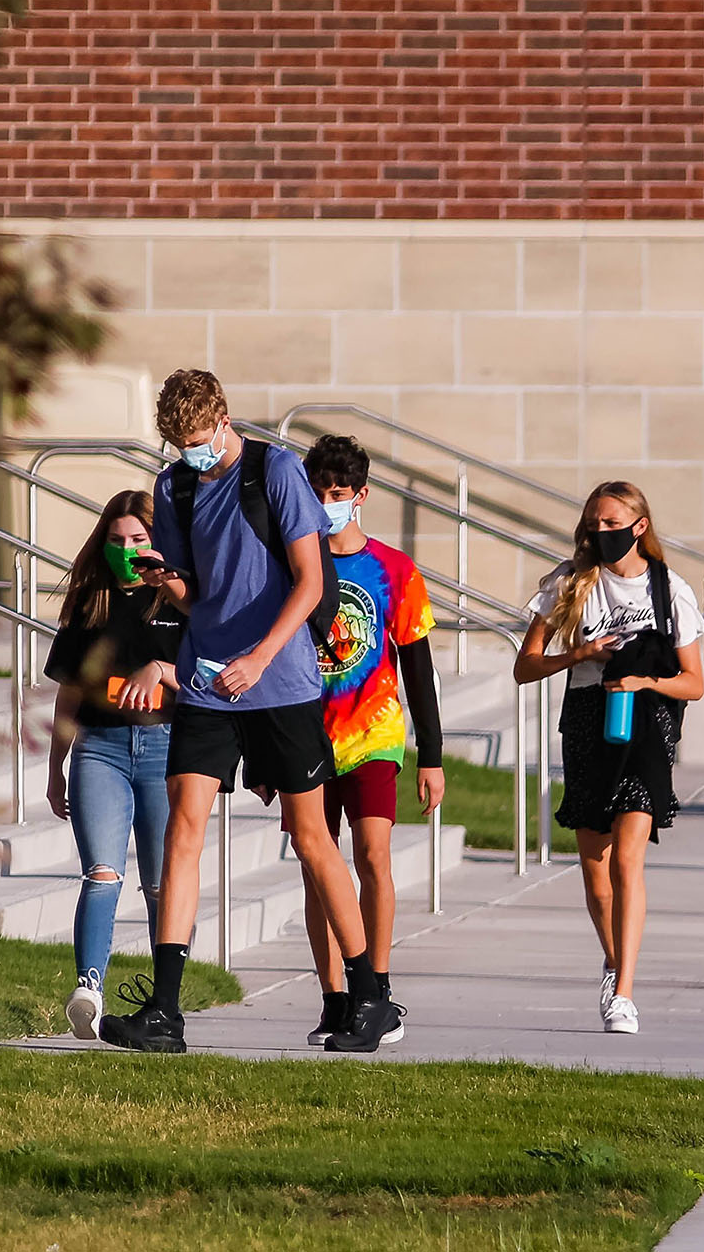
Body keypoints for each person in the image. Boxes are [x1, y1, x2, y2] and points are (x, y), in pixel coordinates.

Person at [99, 369, 390, 1055]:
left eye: (198, 440)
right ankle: (165, 1011)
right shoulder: (173, 487)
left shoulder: (277, 472)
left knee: (311, 835)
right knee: (183, 828)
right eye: (179, 443)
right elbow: (198, 592)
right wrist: (162, 581)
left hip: (281, 681)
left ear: (224, 419)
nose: (190, 453)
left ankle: (369, 995)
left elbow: (312, 579)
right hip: (207, 680)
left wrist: (259, 658)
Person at [519, 481, 704, 1035]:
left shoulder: (670, 589)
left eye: (612, 523)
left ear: (639, 525)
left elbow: (694, 683)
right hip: (585, 720)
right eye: (594, 524)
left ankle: (624, 992)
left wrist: (645, 680)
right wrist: (580, 653)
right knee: (595, 871)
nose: (602, 532)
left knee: (628, 860)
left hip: (647, 725)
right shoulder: (570, 583)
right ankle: (612, 959)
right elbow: (524, 666)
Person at [298, 436, 446, 1047]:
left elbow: (418, 668)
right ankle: (335, 996)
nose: (328, 504)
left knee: (372, 858)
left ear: (361, 496)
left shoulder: (395, 570)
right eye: (318, 493)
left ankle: (376, 989)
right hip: (305, 731)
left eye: (339, 494)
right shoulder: (294, 563)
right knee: (316, 864)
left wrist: (431, 757)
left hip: (374, 733)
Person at [42, 490, 188, 1041]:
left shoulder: (178, 601)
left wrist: (162, 671)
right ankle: (89, 987)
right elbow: (69, 694)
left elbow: (209, 676)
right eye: (117, 540)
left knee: (159, 883)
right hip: (99, 749)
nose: (128, 550)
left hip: (164, 748)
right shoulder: (89, 604)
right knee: (102, 872)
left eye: (139, 540)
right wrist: (56, 766)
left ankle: (162, 1000)